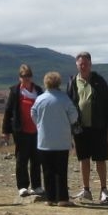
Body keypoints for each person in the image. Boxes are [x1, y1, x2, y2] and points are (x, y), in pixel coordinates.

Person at [67, 51, 108, 203]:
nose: (83, 67)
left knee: (100, 158)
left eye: (86, 64)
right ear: (77, 65)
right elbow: (69, 104)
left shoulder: (99, 81)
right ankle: (86, 190)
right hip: (80, 128)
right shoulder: (72, 82)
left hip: (98, 127)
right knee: (83, 159)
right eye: (81, 64)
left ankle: (103, 190)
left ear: (90, 64)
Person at [30, 70, 78, 206]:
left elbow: (33, 114)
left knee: (47, 170)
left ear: (46, 83)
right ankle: (62, 198)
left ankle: (50, 198)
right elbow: (74, 116)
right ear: (58, 83)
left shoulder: (40, 99)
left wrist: (40, 125)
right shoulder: (64, 99)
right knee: (61, 171)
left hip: (44, 140)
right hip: (62, 140)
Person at [1, 64, 43, 200]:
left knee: (36, 159)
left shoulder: (38, 90)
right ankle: (22, 186)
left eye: (29, 76)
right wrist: (5, 131)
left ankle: (36, 185)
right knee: (22, 158)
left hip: (37, 130)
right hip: (21, 130)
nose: (27, 79)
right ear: (20, 77)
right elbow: (8, 111)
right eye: (24, 76)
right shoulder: (15, 91)